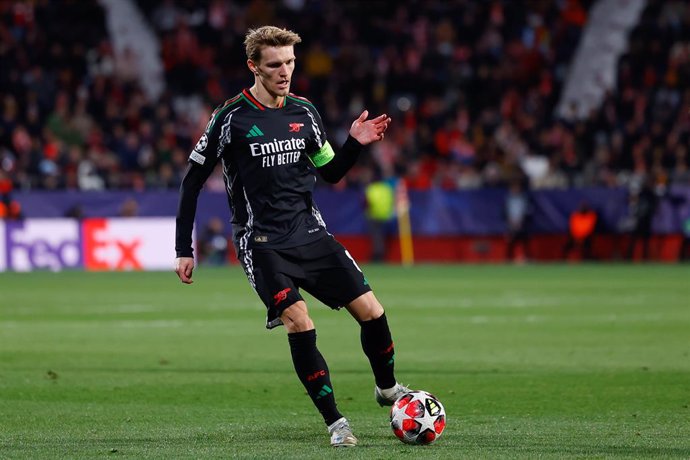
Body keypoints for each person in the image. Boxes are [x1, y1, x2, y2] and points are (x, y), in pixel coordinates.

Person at [174, 26, 409, 447]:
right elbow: (192, 181)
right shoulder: (230, 118)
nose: (285, 72)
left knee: (373, 311)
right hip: (262, 243)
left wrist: (353, 144)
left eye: (290, 63)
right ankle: (337, 424)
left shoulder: (305, 112)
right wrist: (182, 249)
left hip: (310, 233)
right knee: (299, 321)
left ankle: (388, 390)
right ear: (254, 67)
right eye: (275, 65)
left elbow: (331, 172)